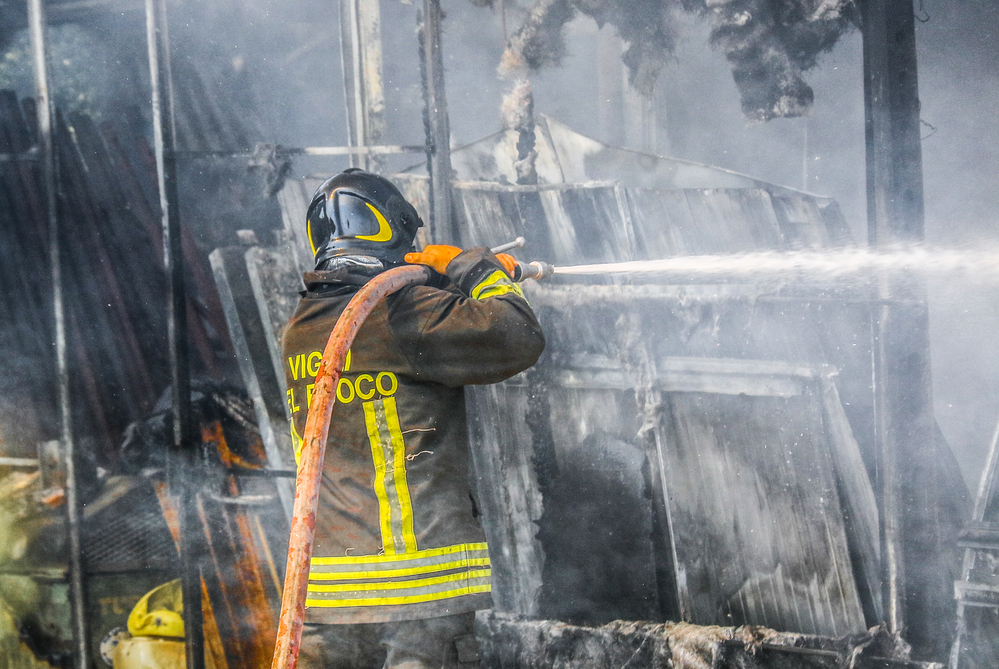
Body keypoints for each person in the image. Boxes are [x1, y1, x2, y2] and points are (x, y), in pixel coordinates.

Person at [281, 168, 545, 668]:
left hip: (331, 590)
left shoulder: (301, 329)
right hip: (418, 589)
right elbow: (517, 336)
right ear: (397, 229)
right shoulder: (407, 315)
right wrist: (476, 270)